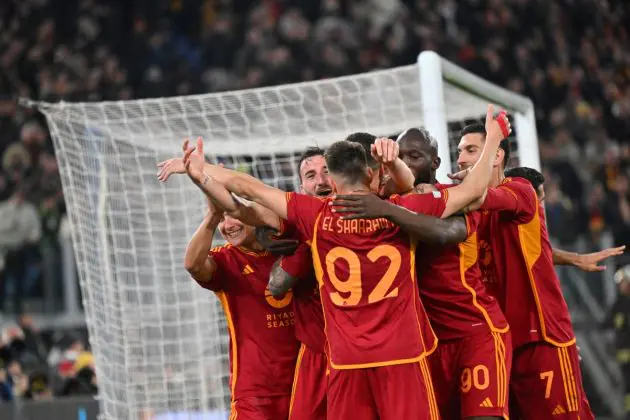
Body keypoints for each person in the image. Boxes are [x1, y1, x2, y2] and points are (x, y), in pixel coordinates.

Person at [180, 104, 509, 419]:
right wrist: (493, 137)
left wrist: (202, 172)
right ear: (370, 174)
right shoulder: (400, 209)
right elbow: (472, 191)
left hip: (346, 360)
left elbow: (250, 190)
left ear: (333, 182)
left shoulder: (315, 215)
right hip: (404, 354)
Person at [333, 126, 512, 420]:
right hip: (425, 345)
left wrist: (387, 211)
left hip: (474, 333)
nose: (404, 163)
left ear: (435, 163)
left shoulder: (452, 197)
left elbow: (445, 234)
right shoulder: (387, 201)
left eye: (414, 156)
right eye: (399, 156)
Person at [455, 123, 595, 419]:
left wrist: (448, 193)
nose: (461, 159)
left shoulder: (519, 190)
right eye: (459, 152)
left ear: (496, 155)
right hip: (501, 345)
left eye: (471, 150)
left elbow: (479, 196)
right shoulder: (470, 212)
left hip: (541, 340)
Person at [182, 191, 300, 419]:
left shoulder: (291, 247)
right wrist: (211, 216)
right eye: (222, 220)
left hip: (306, 383)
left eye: (233, 215)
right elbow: (193, 265)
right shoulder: (226, 260)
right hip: (256, 393)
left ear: (255, 213)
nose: (227, 226)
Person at [503, 167, 625, 271]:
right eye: (538, 201)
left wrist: (579, 259)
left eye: (542, 202)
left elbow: (541, 250)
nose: (540, 207)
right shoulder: (505, 221)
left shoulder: (564, 204)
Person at [603, 265, 630, 420]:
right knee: (627, 388)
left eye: (624, 282)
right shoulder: (618, 304)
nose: (621, 286)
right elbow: (606, 323)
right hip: (623, 357)